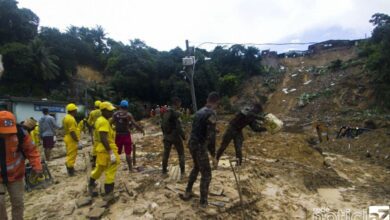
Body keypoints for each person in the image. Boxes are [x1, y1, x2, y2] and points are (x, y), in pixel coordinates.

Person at [0, 111, 42, 220]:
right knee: (0, 203)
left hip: (16, 175)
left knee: (18, 202)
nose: (7, 134)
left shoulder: (20, 133)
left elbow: (31, 151)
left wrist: (37, 167)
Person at [180, 92, 220, 207]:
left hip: (192, 144)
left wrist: (214, 129)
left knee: (197, 167)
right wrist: (213, 155)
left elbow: (198, 128)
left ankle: (188, 191)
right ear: (217, 102)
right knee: (207, 174)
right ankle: (203, 202)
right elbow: (211, 137)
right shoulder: (212, 113)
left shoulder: (199, 112)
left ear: (207, 99)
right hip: (199, 146)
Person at [88, 102, 120, 202]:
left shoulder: (100, 120)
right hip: (107, 149)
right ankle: (108, 193)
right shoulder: (103, 122)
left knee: (100, 167)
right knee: (112, 168)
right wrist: (110, 152)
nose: (112, 112)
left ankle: (91, 182)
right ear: (103, 111)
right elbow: (103, 137)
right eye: (109, 111)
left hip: (101, 149)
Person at [112, 100, 144, 172]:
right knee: (128, 153)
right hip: (126, 135)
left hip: (118, 135)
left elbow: (110, 122)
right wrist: (141, 130)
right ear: (127, 107)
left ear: (120, 106)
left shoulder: (115, 114)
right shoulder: (128, 114)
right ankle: (130, 169)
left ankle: (112, 168)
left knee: (116, 152)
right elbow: (134, 124)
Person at [161, 97, 186, 177]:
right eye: (180, 103)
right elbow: (179, 127)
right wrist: (183, 136)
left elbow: (162, 125)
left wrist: (165, 134)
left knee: (166, 154)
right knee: (181, 154)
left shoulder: (166, 111)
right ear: (177, 103)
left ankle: (164, 171)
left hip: (167, 136)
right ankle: (182, 173)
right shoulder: (174, 112)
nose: (180, 104)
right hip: (175, 136)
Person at [63, 103, 81, 176]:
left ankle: (69, 166)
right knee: (72, 155)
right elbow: (72, 131)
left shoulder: (66, 117)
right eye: (76, 110)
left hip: (68, 137)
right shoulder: (71, 119)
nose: (76, 111)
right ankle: (70, 171)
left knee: (70, 153)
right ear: (73, 110)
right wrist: (77, 140)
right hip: (71, 139)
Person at [87, 101, 102, 167]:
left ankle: (94, 161)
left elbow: (89, 122)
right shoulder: (102, 112)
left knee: (96, 145)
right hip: (103, 129)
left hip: (96, 130)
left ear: (94, 106)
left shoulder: (92, 112)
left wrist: (92, 125)